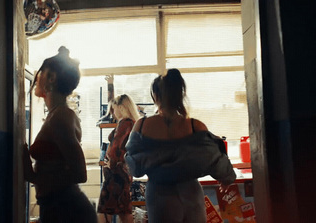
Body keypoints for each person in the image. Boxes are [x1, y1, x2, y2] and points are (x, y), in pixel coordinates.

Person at [125, 68, 236, 223]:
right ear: (180, 95)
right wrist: (226, 178)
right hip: (190, 193)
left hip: (159, 195)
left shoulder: (142, 126)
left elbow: (133, 165)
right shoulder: (195, 126)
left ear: (155, 96)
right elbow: (216, 157)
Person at [22, 46, 97, 223]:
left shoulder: (61, 117)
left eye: (41, 73)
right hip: (58, 207)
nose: (37, 78)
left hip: (67, 210)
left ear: (51, 78)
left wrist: (34, 177)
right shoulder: (56, 114)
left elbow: (80, 174)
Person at [97, 94, 140, 223]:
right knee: (123, 210)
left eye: (114, 108)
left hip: (115, 176)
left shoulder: (125, 123)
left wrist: (111, 162)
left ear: (121, 108)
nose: (112, 112)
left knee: (104, 211)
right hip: (122, 175)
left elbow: (117, 147)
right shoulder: (131, 123)